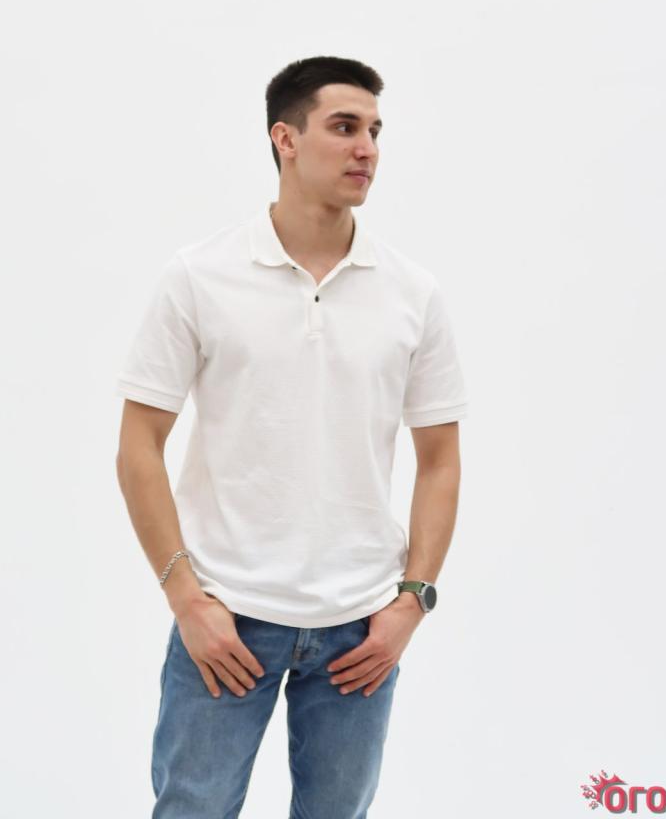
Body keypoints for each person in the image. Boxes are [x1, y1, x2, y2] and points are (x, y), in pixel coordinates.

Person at [115, 55, 469, 818]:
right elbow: (139, 442)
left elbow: (439, 460)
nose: (366, 148)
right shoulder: (200, 275)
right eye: (343, 127)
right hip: (226, 617)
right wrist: (186, 597)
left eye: (374, 130)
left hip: (360, 629)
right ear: (285, 138)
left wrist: (411, 600)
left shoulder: (411, 293)